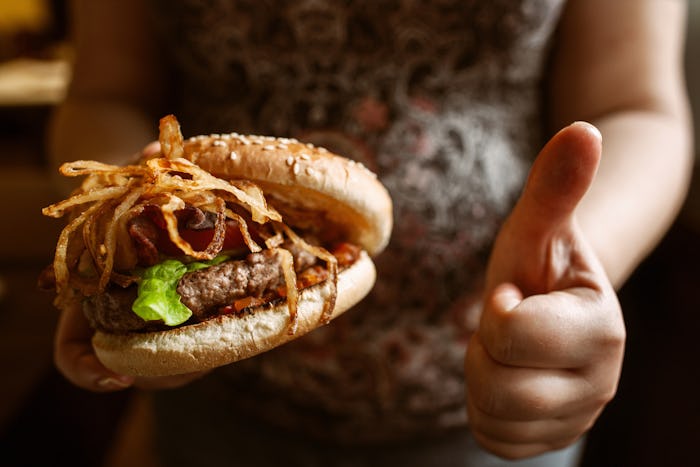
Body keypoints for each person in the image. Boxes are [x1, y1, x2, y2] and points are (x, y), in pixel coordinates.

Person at [48, 1, 693, 466]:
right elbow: (108, 88)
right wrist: (119, 226)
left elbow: (635, 103)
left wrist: (580, 258)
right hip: (219, 412)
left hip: (492, 389)